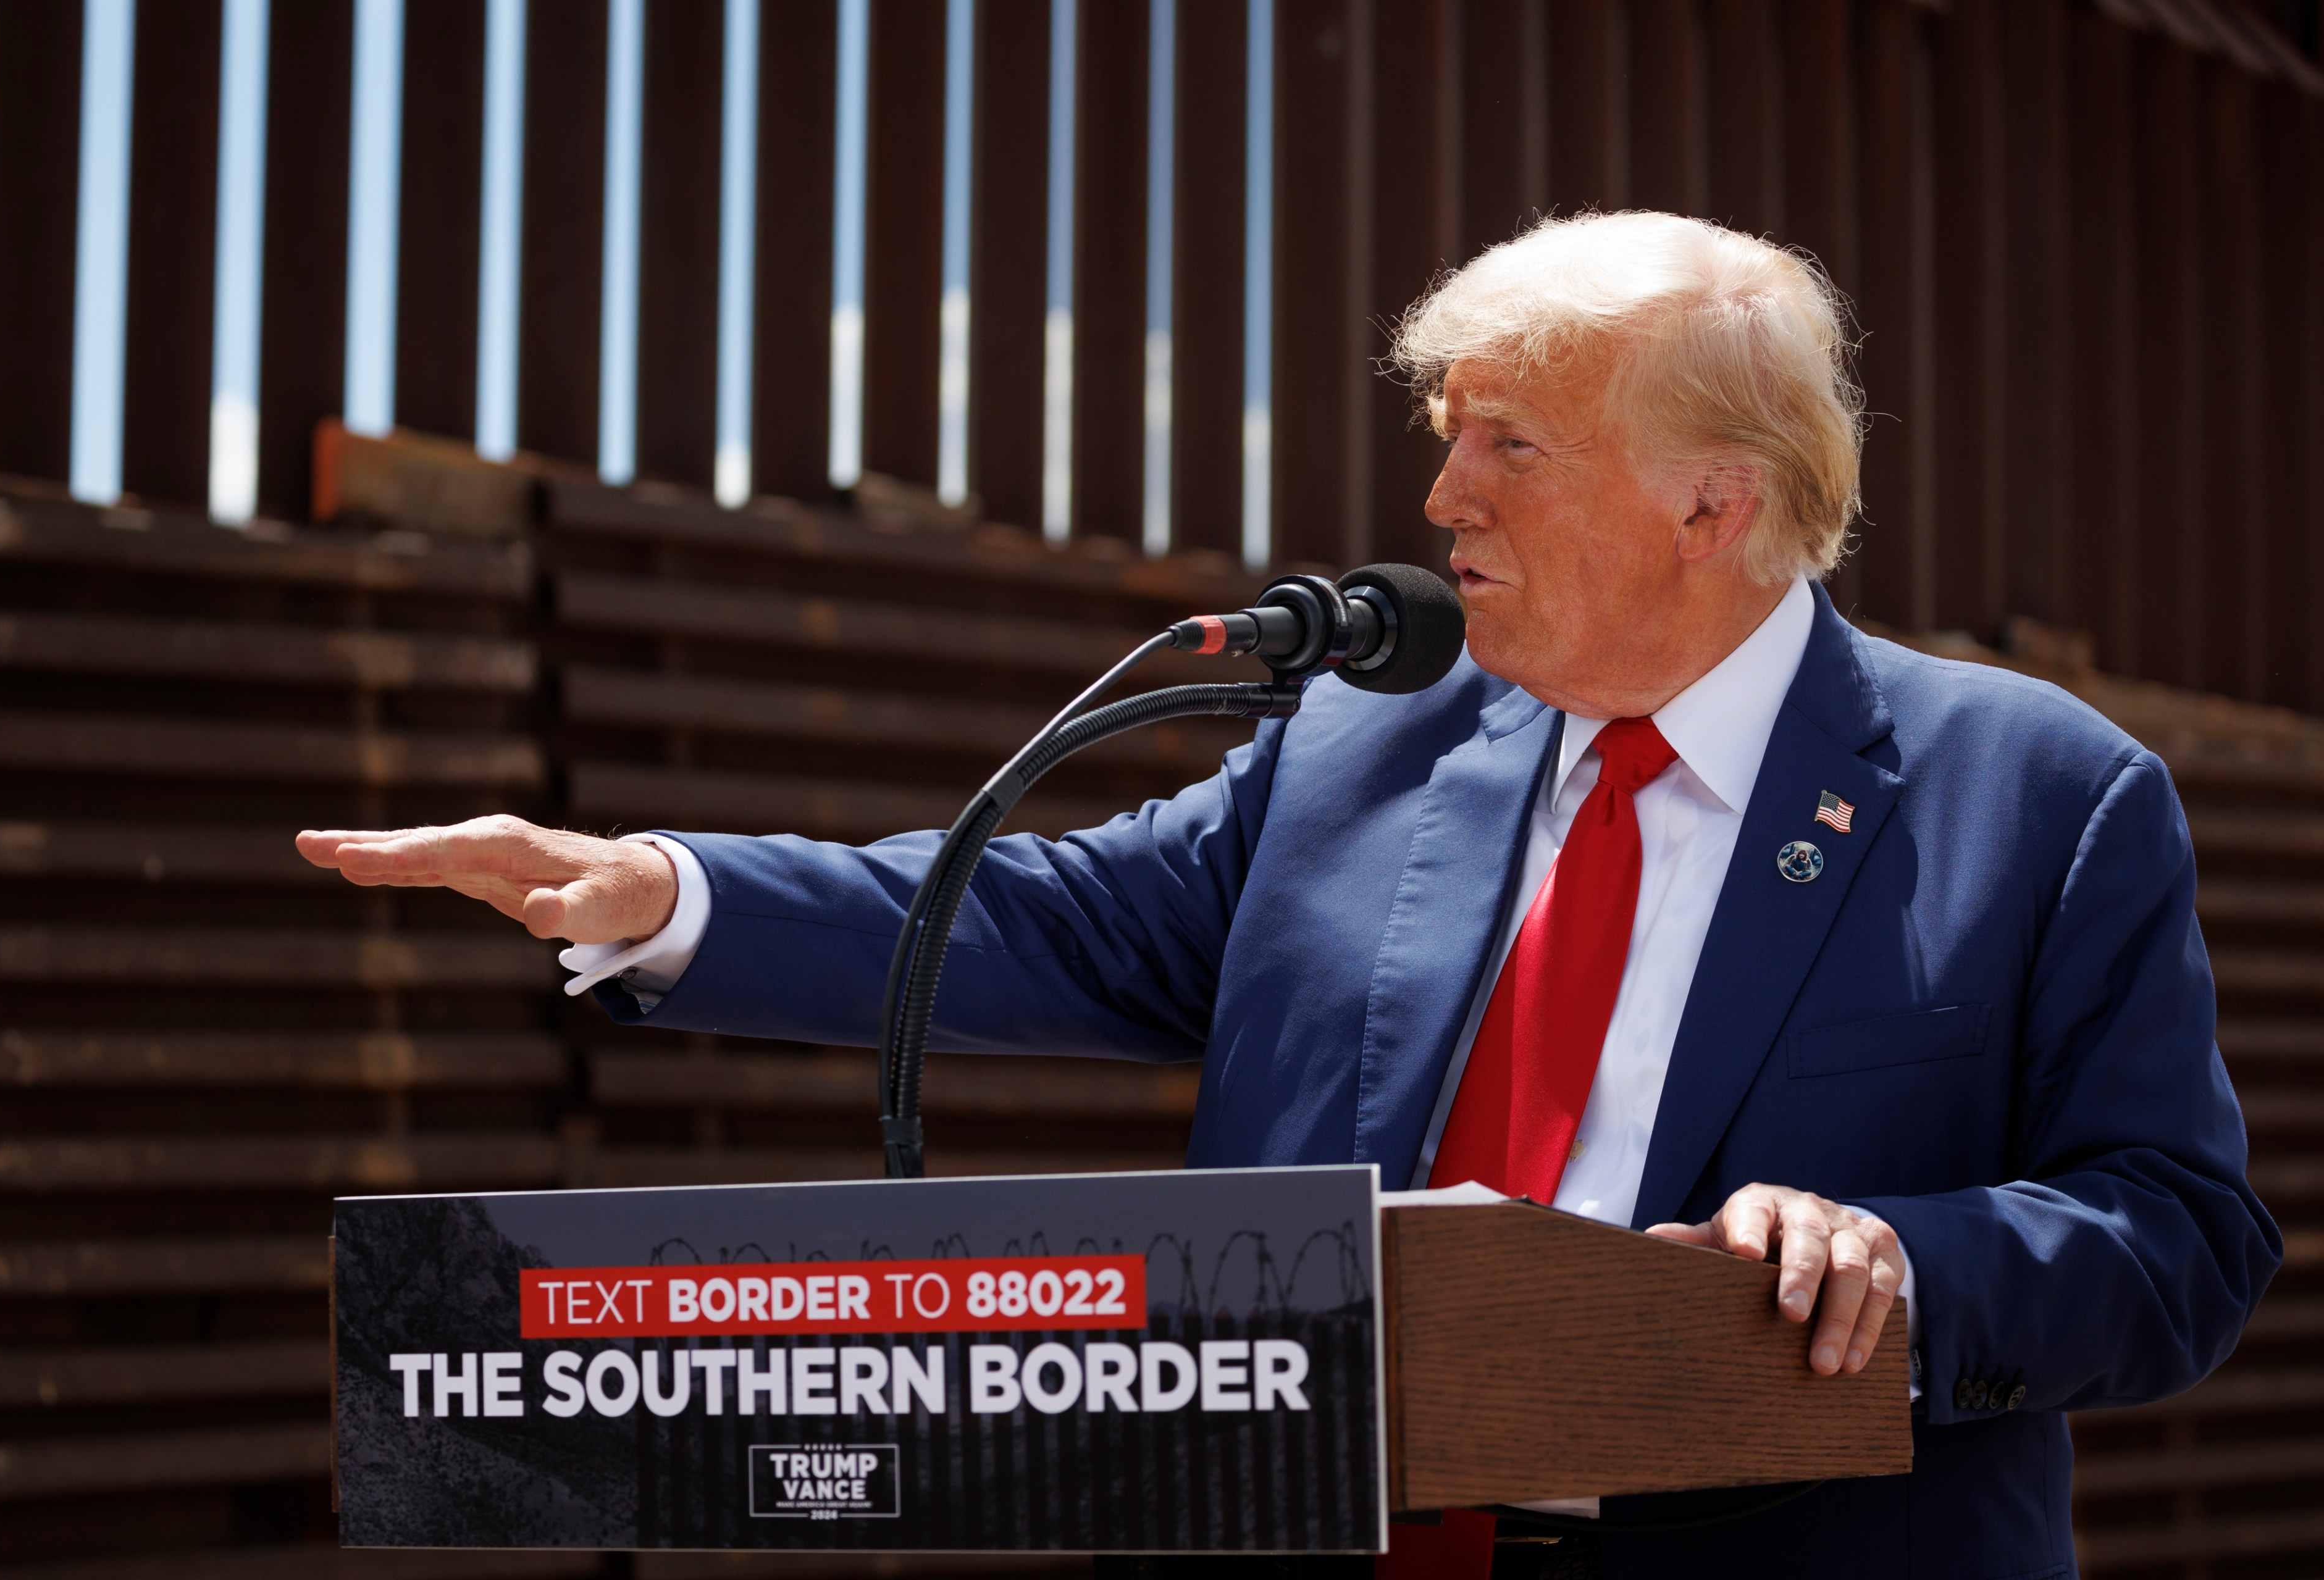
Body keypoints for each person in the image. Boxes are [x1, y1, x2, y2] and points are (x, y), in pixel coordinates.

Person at [300, 212, 2278, 1578]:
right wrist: (656, 891)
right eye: (1446, 441)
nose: (1442, 503)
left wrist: (1905, 1262)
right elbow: (1059, 921)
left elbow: (2176, 1236)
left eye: (1513, 444)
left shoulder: (2038, 792)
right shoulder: (1366, 748)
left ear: (1714, 500)